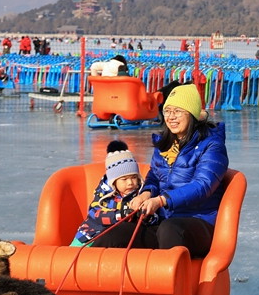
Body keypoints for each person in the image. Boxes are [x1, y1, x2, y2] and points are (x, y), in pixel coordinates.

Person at [94, 84, 229, 257]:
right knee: (112, 237)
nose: (171, 117)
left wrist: (162, 200)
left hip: (198, 223)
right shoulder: (164, 145)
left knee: (170, 230)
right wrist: (146, 194)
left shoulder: (212, 146)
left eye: (178, 111)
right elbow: (154, 177)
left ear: (193, 114)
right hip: (164, 221)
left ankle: (169, 282)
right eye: (167, 111)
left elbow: (202, 186)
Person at [71, 141, 145, 246]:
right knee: (73, 252)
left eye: (134, 177)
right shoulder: (104, 194)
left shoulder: (141, 193)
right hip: (90, 233)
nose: (130, 183)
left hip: (118, 237)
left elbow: (154, 216)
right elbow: (95, 213)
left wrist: (147, 216)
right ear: (113, 181)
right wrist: (121, 215)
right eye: (124, 179)